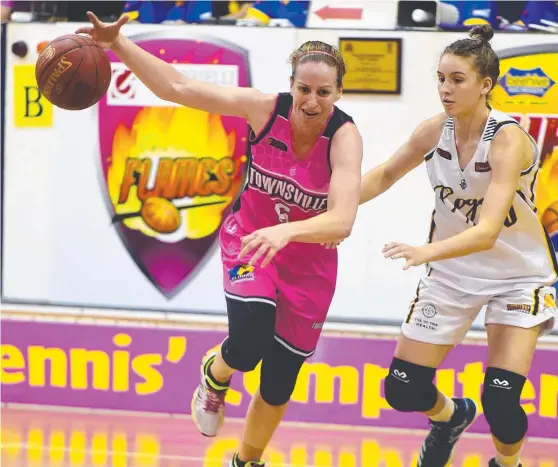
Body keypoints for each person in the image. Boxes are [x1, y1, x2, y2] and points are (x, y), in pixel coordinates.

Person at [76, 12, 363, 467]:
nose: (311, 101)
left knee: (279, 382)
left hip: (307, 266)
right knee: (248, 346)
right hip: (250, 242)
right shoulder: (263, 108)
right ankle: (215, 373)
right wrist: (119, 45)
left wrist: (286, 230)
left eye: (323, 92)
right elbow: (179, 88)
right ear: (291, 85)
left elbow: (342, 221)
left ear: (338, 93)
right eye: (304, 89)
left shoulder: (344, 137)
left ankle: (246, 460)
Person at [354, 24, 557, 467]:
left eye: (457, 80)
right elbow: (385, 174)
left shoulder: (507, 140)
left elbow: (486, 232)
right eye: (441, 79)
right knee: (403, 388)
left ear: (485, 85)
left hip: (517, 278)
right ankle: (449, 417)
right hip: (453, 274)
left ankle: (508, 464)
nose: (445, 88)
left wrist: (424, 251)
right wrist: (333, 206)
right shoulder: (434, 131)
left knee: (501, 403)